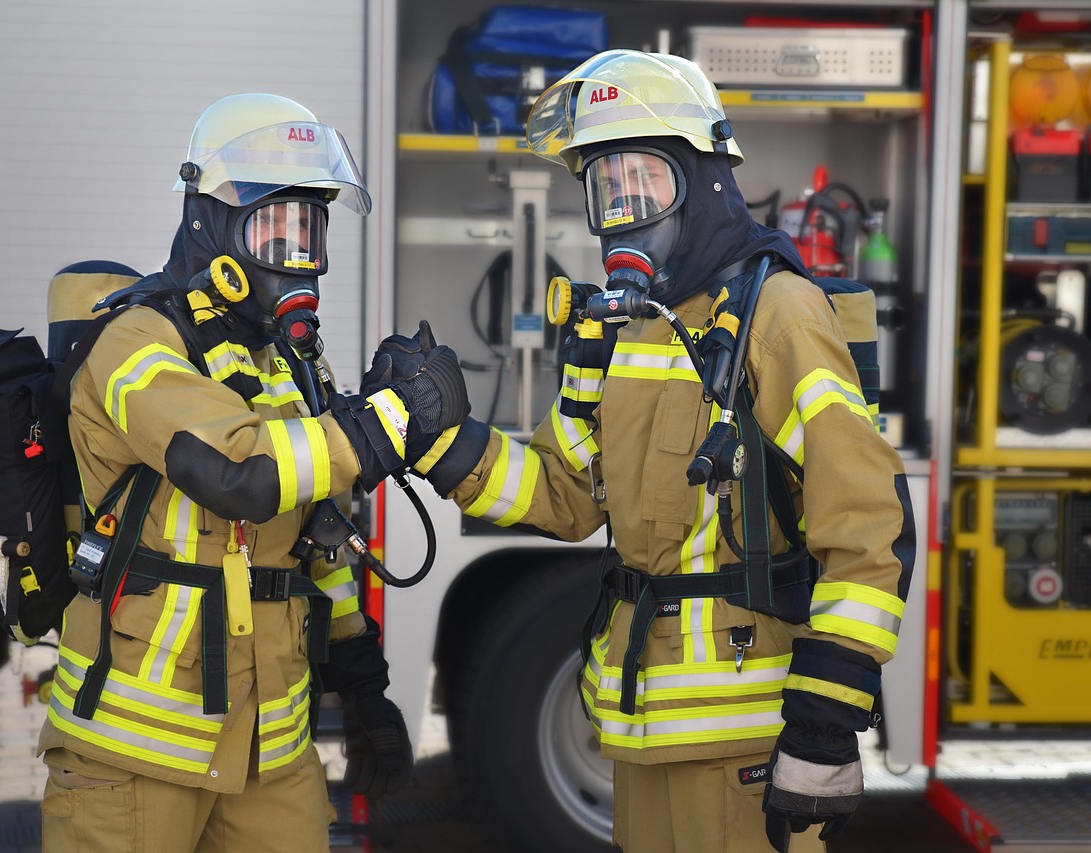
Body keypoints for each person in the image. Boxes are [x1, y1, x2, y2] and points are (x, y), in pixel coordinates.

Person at [371, 51, 915, 852]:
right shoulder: (616, 327)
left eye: (644, 182)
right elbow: (567, 494)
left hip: (748, 742)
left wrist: (825, 724)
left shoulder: (779, 314)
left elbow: (866, 525)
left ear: (704, 181)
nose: (624, 210)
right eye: (605, 188)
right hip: (640, 727)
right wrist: (446, 443)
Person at [36, 93, 469, 852]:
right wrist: (392, 418)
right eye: (274, 229)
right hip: (138, 749)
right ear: (210, 224)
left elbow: (320, 541)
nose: (296, 257)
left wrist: (363, 685)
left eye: (310, 231)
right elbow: (240, 473)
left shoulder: (285, 363)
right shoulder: (137, 342)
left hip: (271, 747)